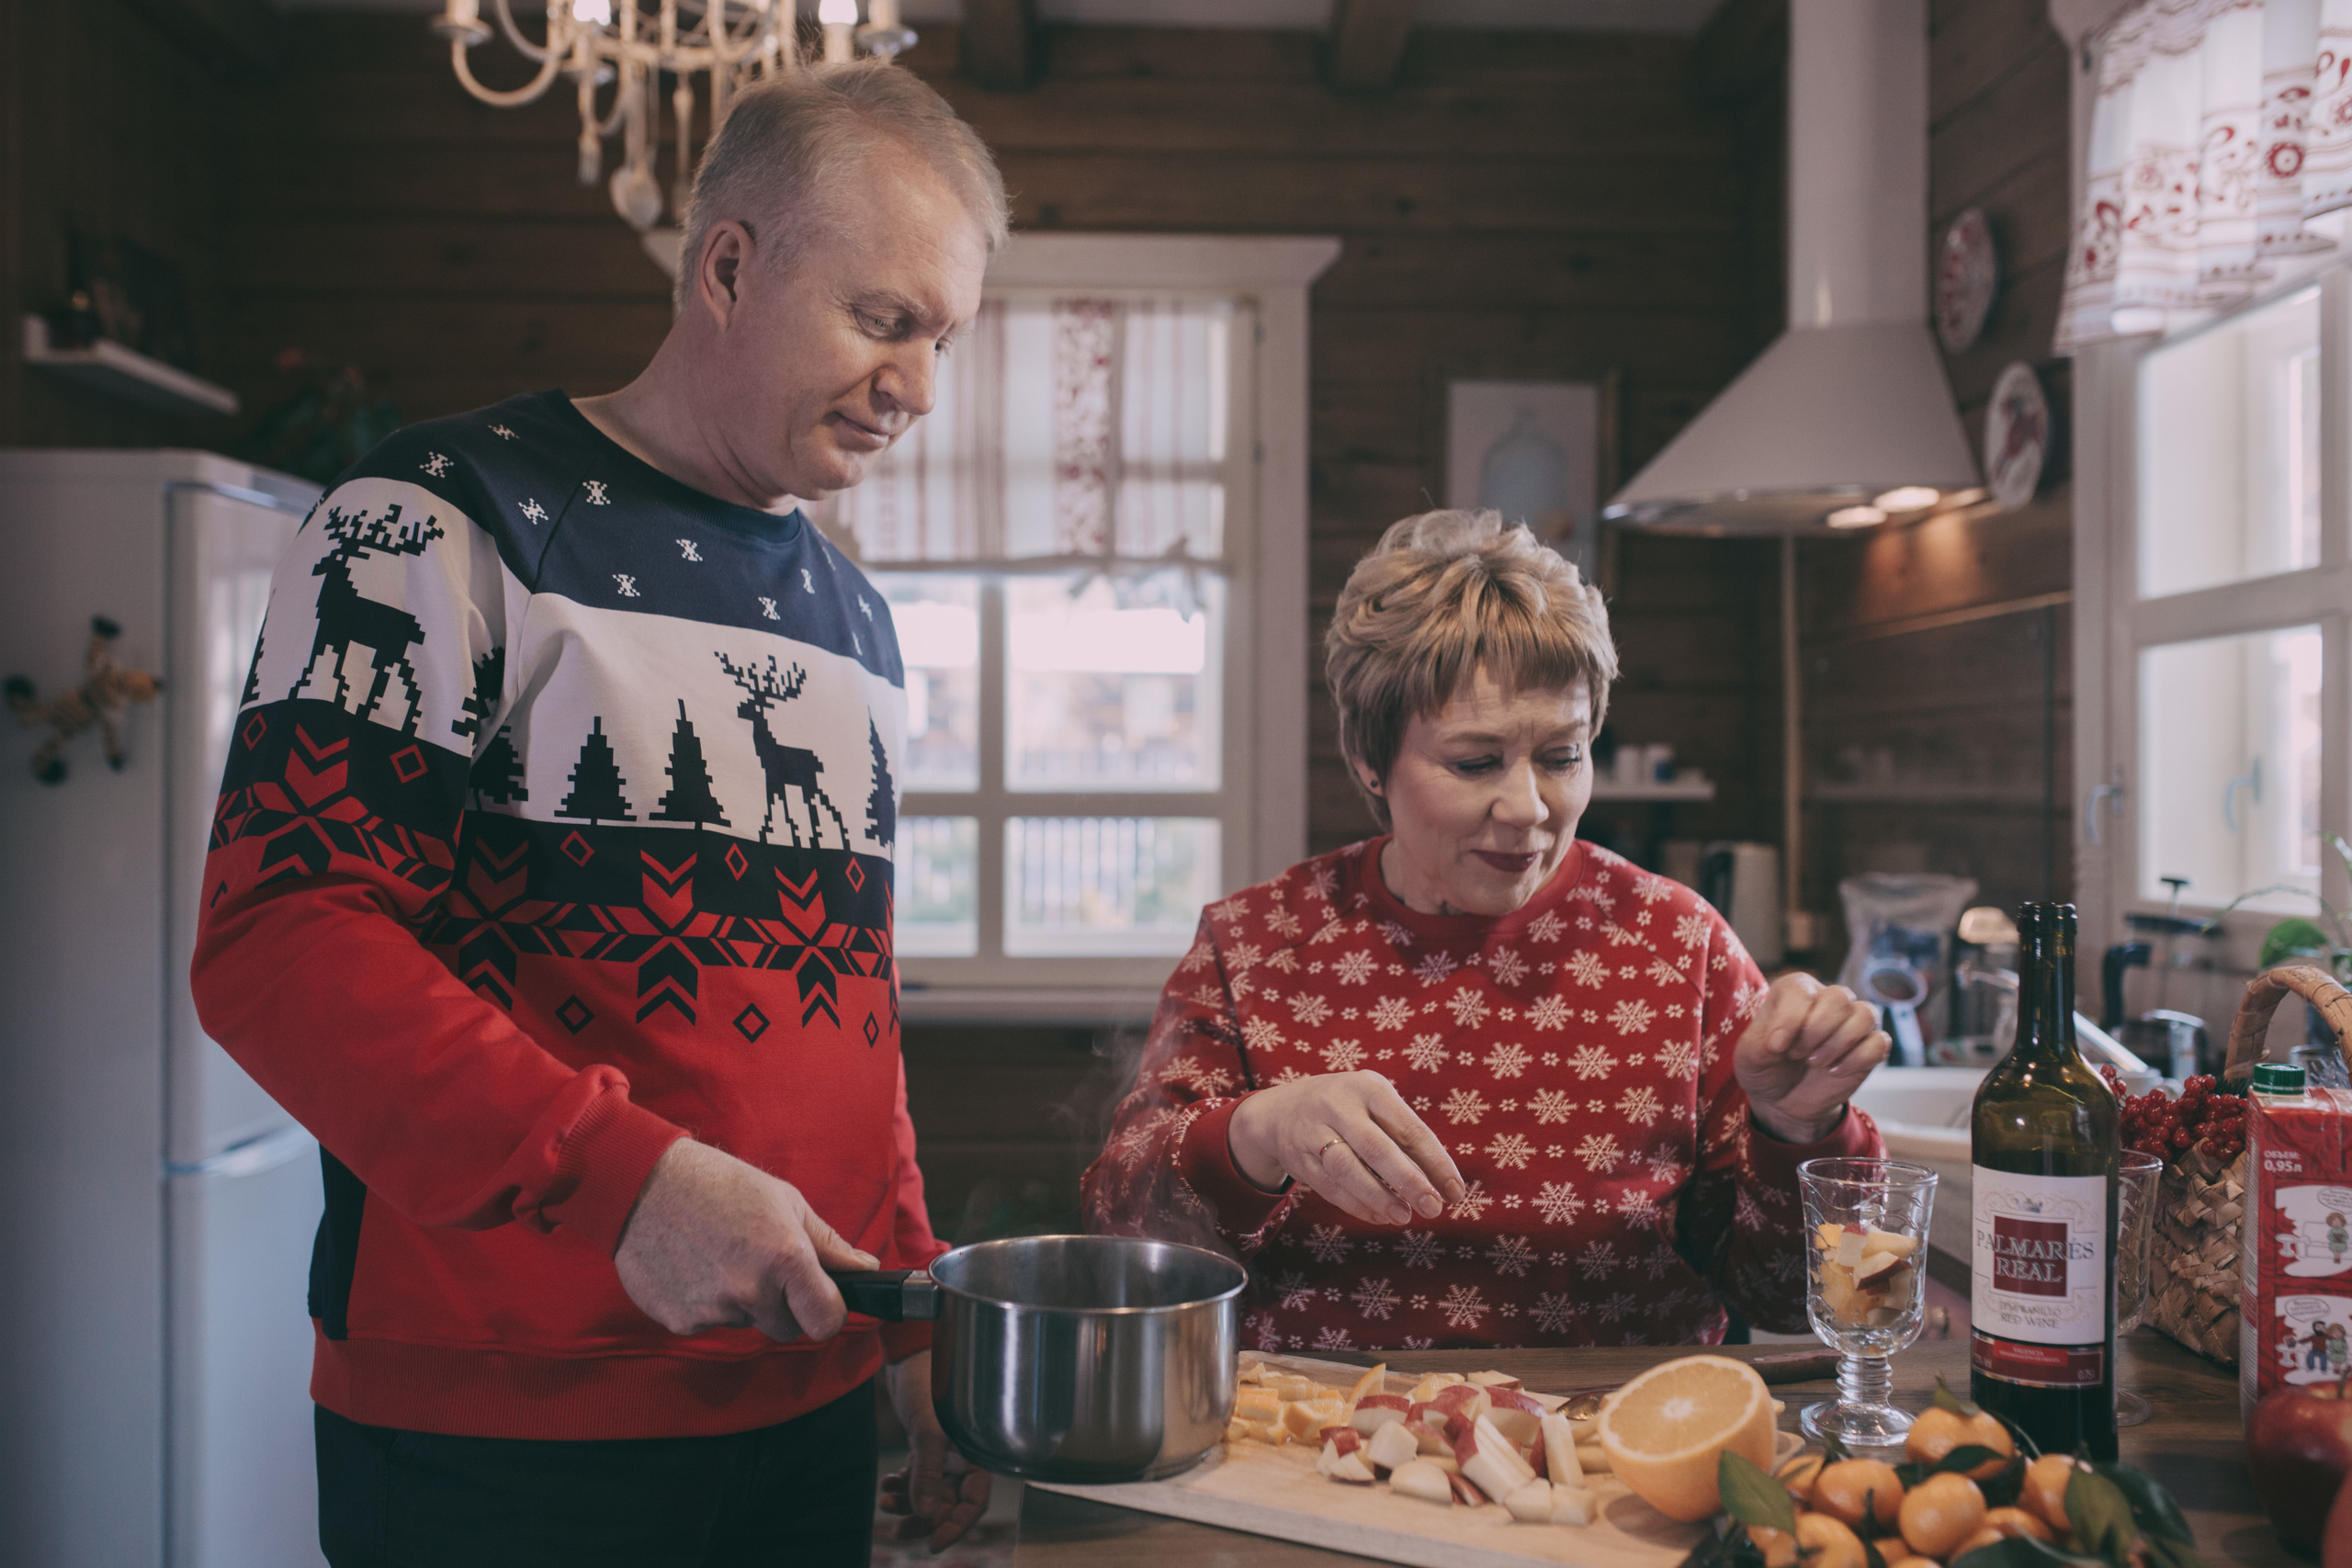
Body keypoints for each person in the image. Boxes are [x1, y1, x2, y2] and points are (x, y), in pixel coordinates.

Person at [189, 62, 1004, 1565]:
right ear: (728, 265)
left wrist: (911, 1322)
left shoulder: (859, 618)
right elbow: (282, 941)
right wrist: (627, 1187)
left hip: (804, 1399)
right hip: (503, 1426)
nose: (920, 388)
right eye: (885, 320)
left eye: (943, 337)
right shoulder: (432, 515)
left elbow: (850, 1020)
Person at [1082, 511, 1890, 1349]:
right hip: (1312, 1446)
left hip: (1613, 1450)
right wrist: (1257, 1131)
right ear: (1369, 759)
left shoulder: (1679, 943)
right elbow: (1125, 1227)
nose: (1528, 809)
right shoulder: (1255, 945)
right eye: (1475, 763)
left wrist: (1796, 1134)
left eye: (1561, 756)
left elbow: (1792, 1301)